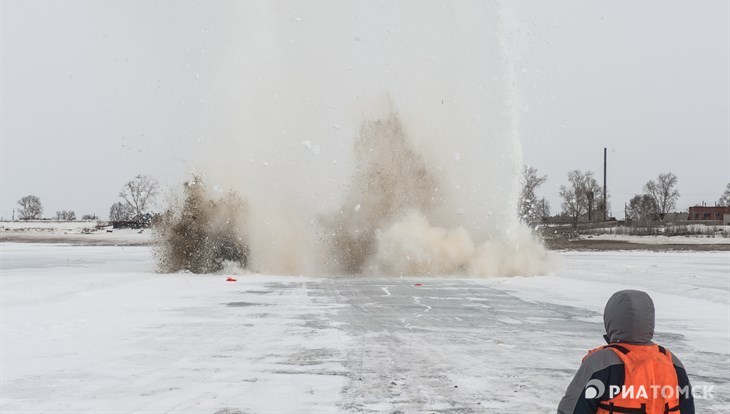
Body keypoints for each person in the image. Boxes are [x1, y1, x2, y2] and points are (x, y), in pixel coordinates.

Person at [557, 289, 694, 414]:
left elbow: (573, 408)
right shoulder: (671, 361)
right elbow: (687, 409)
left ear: (611, 318)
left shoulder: (602, 362)